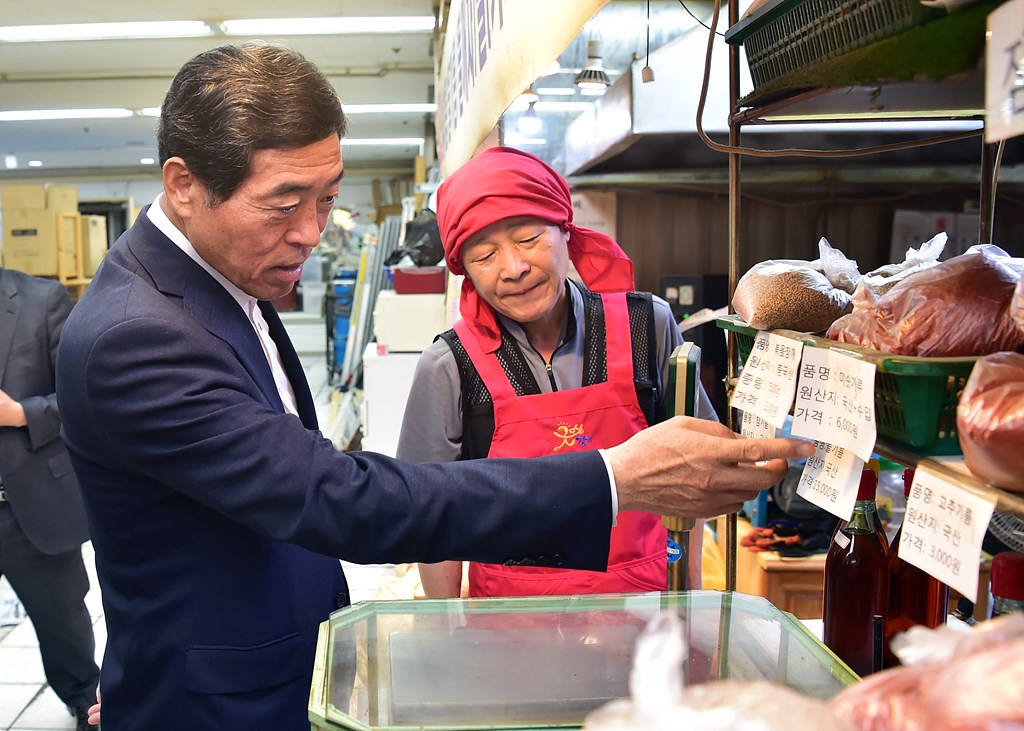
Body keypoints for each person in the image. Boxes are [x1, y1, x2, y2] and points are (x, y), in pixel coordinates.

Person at [55, 42, 813, 731]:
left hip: (278, 666)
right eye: (286, 204)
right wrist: (616, 476)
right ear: (184, 186)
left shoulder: (224, 282)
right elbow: (337, 496)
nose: (313, 231)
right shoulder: (140, 333)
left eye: (327, 199)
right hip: (212, 702)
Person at [398, 146, 711, 598]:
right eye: (484, 256)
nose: (514, 268)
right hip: (507, 630)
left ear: (566, 228)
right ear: (463, 270)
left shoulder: (649, 326)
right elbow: (431, 517)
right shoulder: (449, 366)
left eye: (528, 238)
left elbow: (696, 472)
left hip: (642, 617)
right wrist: (450, 636)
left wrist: (691, 603)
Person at [0, 267, 99, 731]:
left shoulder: (42, 300)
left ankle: (84, 702)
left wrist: (21, 413)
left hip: (29, 504)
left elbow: (87, 395)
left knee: (62, 622)